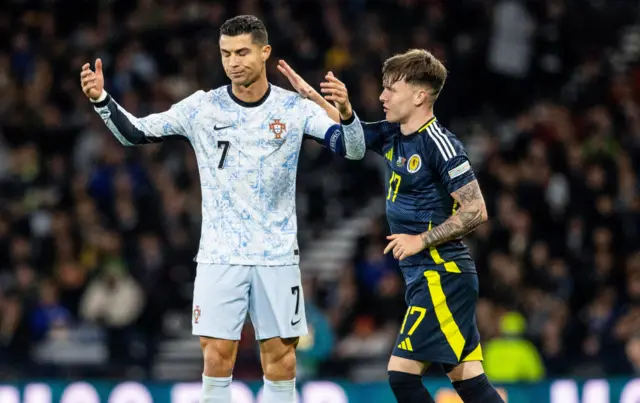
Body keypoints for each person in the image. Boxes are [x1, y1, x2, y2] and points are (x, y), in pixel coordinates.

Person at [79, 15, 365, 403]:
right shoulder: (202, 107)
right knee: (216, 358)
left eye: (243, 52)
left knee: (281, 360)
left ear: (265, 52)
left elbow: (353, 149)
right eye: (226, 53)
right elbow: (135, 132)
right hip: (219, 254)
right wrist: (101, 100)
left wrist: (345, 113)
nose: (233, 62)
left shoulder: (293, 109)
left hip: (276, 255)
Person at [279, 49, 505, 403]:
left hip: (441, 273)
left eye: (391, 89)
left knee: (401, 376)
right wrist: (316, 99)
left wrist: (421, 240)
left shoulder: (441, 145)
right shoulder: (392, 134)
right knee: (469, 382)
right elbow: (353, 138)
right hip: (426, 276)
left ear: (419, 96)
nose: (382, 97)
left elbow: (476, 210)